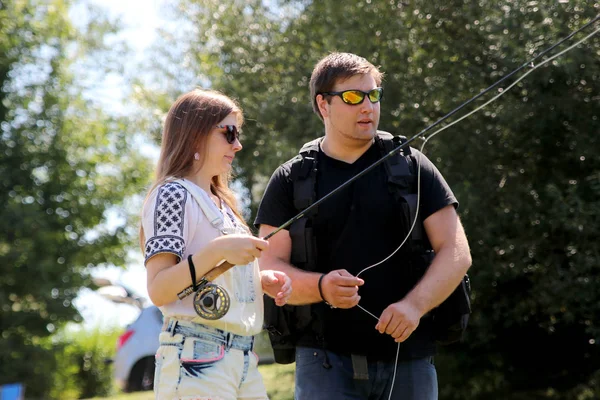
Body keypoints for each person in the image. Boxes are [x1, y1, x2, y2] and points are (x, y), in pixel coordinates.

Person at [255, 52, 472, 399]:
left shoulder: (411, 165)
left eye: (374, 95)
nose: (367, 106)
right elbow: (267, 267)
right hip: (322, 361)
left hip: (410, 358)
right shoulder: (290, 178)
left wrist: (414, 306)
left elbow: (457, 252)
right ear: (323, 105)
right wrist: (322, 287)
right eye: (353, 97)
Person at [141, 88, 292, 400]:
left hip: (242, 358)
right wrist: (220, 251)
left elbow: (210, 274)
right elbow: (159, 289)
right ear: (196, 134)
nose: (238, 144)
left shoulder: (223, 203)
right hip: (194, 357)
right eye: (229, 132)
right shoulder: (172, 194)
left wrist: (257, 281)